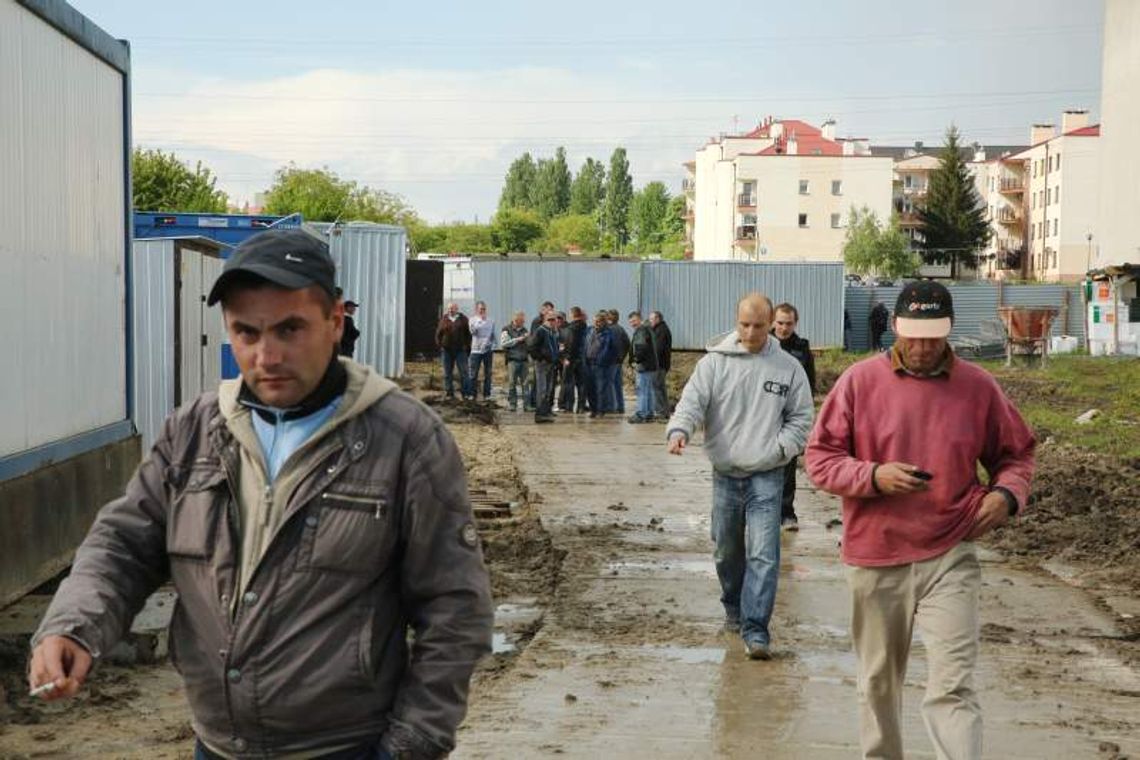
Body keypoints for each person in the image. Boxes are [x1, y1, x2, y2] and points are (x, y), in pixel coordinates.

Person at [28, 229, 493, 759]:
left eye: (289, 329)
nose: (266, 355)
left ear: (335, 322)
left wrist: (412, 744)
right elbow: (121, 545)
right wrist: (73, 626)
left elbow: (456, 607)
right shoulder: (195, 432)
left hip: (348, 749)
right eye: (245, 333)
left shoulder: (405, 439)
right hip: (217, 747)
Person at [805, 281, 1035, 760]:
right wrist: (872, 476)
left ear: (949, 331)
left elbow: (1017, 455)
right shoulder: (858, 383)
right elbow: (820, 459)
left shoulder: (978, 388)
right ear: (894, 328)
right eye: (913, 335)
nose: (923, 347)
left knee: (953, 685)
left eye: (933, 336)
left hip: (951, 555)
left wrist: (1007, 496)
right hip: (875, 555)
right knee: (878, 683)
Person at [666, 294, 814, 661]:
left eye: (759, 326)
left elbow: (801, 417)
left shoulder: (787, 368)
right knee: (726, 550)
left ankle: (756, 629)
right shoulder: (714, 363)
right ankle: (733, 605)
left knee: (765, 555)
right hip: (726, 474)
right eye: (744, 325)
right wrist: (679, 429)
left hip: (767, 476)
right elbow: (692, 402)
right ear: (736, 322)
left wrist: (781, 449)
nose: (750, 332)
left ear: (771, 325)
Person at [771, 303, 817, 531]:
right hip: (765, 415)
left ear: (795, 323)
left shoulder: (802, 348)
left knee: (788, 465)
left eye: (788, 323)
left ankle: (786, 513)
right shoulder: (762, 345)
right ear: (772, 321)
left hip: (790, 417)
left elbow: (810, 386)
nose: (784, 328)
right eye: (780, 323)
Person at [527, 310, 561, 423]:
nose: (552, 321)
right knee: (542, 389)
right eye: (549, 319)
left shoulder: (551, 332)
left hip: (550, 364)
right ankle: (540, 414)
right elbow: (531, 347)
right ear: (545, 320)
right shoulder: (540, 331)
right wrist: (541, 358)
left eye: (554, 319)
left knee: (548, 389)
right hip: (542, 364)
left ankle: (545, 412)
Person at [626, 311, 659, 423]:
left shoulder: (641, 331)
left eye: (634, 321)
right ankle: (649, 413)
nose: (633, 324)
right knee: (648, 390)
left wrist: (636, 360)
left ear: (640, 319)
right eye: (631, 322)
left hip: (644, 366)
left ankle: (641, 414)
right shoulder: (648, 329)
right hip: (651, 365)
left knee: (642, 390)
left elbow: (641, 348)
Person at [436, 302, 472, 400]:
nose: (450, 310)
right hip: (447, 351)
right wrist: (441, 346)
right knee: (447, 373)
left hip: (460, 350)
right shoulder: (444, 319)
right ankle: (449, 393)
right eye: (449, 309)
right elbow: (438, 334)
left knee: (464, 373)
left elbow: (468, 335)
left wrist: (467, 347)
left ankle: (466, 393)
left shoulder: (463, 319)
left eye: (452, 308)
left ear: (457, 309)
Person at [584, 310, 616, 418]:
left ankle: (600, 410)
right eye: (595, 321)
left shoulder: (608, 333)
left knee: (600, 389)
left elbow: (608, 349)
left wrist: (601, 360)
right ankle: (593, 410)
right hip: (588, 364)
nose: (596, 323)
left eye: (598, 321)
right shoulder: (589, 331)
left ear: (603, 322)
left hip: (600, 365)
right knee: (590, 388)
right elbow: (585, 345)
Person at [560, 306, 589, 414]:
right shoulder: (585, 327)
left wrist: (566, 357)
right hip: (582, 358)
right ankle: (581, 407)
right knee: (581, 383)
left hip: (571, 359)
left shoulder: (571, 328)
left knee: (568, 383)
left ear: (572, 314)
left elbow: (570, 344)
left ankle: (568, 406)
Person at [500, 310, 529, 412]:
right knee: (512, 383)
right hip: (513, 360)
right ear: (515, 320)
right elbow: (504, 343)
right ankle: (513, 404)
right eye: (521, 321)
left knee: (525, 384)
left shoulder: (525, 330)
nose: (523, 322)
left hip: (524, 360)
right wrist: (518, 339)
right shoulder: (506, 329)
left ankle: (527, 405)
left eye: (523, 321)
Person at [467, 300, 496, 402]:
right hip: (476, 350)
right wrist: (480, 321)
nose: (482, 311)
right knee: (473, 373)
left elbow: (492, 335)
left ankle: (487, 394)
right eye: (480, 309)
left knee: (488, 373)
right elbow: (473, 332)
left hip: (487, 350)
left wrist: (493, 345)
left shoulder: (491, 321)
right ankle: (472, 394)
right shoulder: (472, 320)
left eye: (483, 309)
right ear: (476, 310)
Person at [648, 310, 673, 419]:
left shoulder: (661, 331)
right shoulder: (660, 329)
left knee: (657, 388)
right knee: (661, 388)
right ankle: (665, 411)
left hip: (658, 365)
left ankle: (660, 412)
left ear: (658, 319)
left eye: (651, 319)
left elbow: (657, 349)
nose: (650, 322)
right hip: (661, 364)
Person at [607, 309, 630, 415]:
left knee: (610, 384)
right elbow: (627, 344)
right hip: (618, 361)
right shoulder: (621, 329)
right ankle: (620, 407)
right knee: (617, 384)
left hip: (610, 361)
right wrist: (622, 356)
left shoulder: (608, 330)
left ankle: (612, 407)